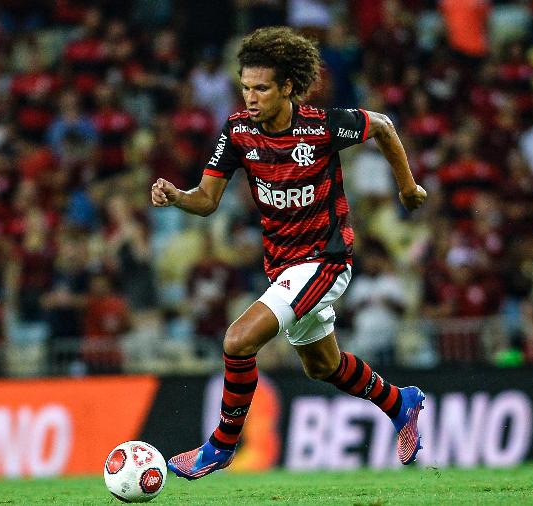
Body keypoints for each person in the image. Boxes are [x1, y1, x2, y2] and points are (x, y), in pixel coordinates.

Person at [150, 27, 428, 479]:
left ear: (288, 87)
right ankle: (401, 402)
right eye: (245, 87)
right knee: (325, 366)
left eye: (261, 88)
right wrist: (177, 195)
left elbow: (382, 125)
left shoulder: (321, 126)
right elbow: (206, 199)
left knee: (238, 340)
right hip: (283, 266)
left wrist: (408, 187)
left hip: (326, 258)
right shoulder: (238, 132)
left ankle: (220, 447)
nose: (251, 97)